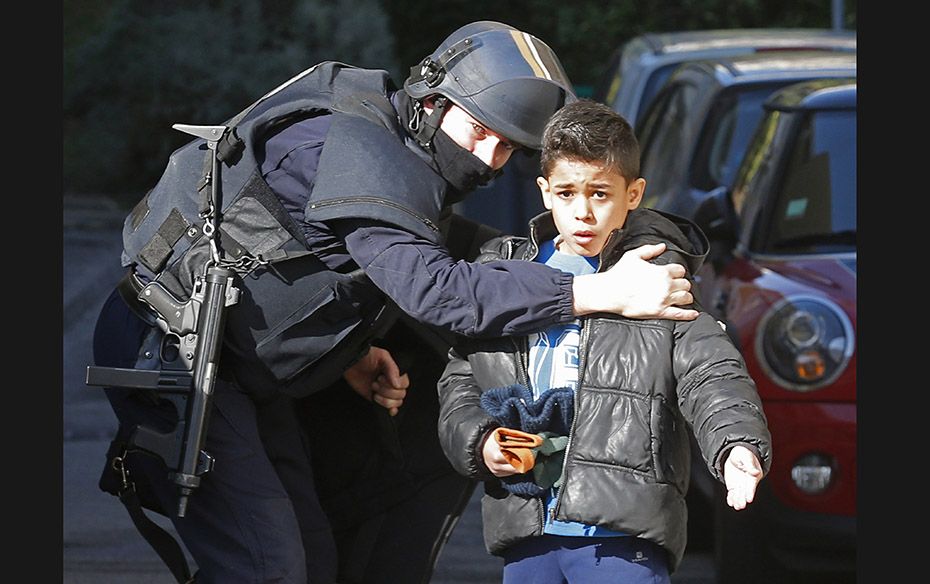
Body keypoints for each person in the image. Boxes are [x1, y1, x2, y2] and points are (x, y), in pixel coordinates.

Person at [91, 22, 700, 584]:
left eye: (509, 148)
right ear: (433, 104)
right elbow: (439, 288)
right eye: (481, 133)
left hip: (250, 369)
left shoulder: (394, 140)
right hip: (180, 354)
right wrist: (595, 291)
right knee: (265, 568)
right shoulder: (358, 150)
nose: (490, 160)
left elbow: (329, 254)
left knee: (317, 556)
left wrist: (348, 347)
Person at [436, 98, 772, 584]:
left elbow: (711, 370)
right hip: (528, 525)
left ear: (633, 194)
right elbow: (462, 379)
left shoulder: (658, 276)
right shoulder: (506, 275)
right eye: (568, 193)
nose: (583, 212)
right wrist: (481, 439)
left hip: (623, 534)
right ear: (545, 192)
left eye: (600, 193)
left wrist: (735, 444)